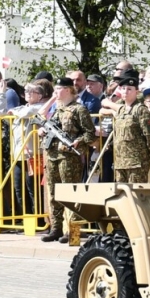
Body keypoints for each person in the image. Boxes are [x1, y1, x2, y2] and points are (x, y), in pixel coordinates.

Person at [40, 77, 95, 241]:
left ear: (68, 90)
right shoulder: (58, 109)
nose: (55, 92)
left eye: (58, 89)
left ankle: (74, 232)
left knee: (71, 193)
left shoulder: (79, 109)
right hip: (52, 155)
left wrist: (79, 141)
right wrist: (43, 132)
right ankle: (56, 228)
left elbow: (90, 133)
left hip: (69, 157)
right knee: (54, 193)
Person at [108, 73, 150, 183]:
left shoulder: (141, 110)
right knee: (121, 192)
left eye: (129, 89)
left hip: (136, 162)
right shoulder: (121, 110)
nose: (125, 91)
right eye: (123, 89)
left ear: (136, 92)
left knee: (136, 192)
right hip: (120, 162)